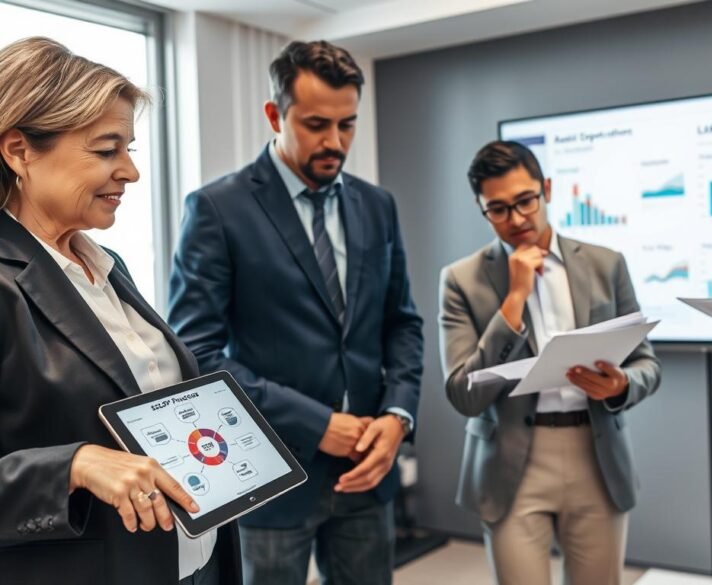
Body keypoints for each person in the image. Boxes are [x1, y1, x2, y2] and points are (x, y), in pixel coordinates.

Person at [167, 40, 423, 585]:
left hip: (367, 471)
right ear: (273, 115)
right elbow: (197, 355)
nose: (335, 142)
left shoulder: (377, 205)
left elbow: (402, 323)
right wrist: (317, 423)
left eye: (347, 125)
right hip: (270, 477)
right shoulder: (217, 209)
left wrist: (397, 419)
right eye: (315, 124)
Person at [0, 37, 241, 585]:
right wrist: (73, 465)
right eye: (107, 150)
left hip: (192, 560)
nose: (130, 172)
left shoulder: (108, 265)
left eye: (129, 149)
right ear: (19, 150)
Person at [438, 140, 662, 585]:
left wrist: (620, 386)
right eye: (498, 210)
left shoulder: (605, 264)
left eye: (526, 201)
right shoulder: (461, 279)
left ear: (548, 189)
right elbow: (464, 393)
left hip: (596, 452)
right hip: (508, 459)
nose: (517, 219)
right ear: (482, 210)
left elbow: (646, 365)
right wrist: (514, 299)